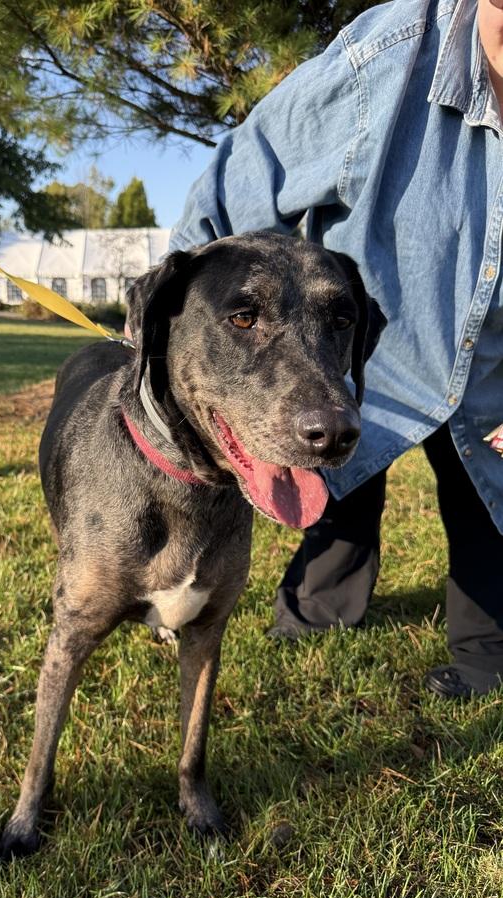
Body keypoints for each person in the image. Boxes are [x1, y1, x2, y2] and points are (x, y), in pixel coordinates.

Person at [170, 0, 503, 699]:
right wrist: (177, 323)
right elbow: (240, 178)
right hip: (360, 336)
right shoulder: (390, 55)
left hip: (495, 357)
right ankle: (316, 613)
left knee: (486, 497)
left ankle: (485, 651)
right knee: (336, 471)